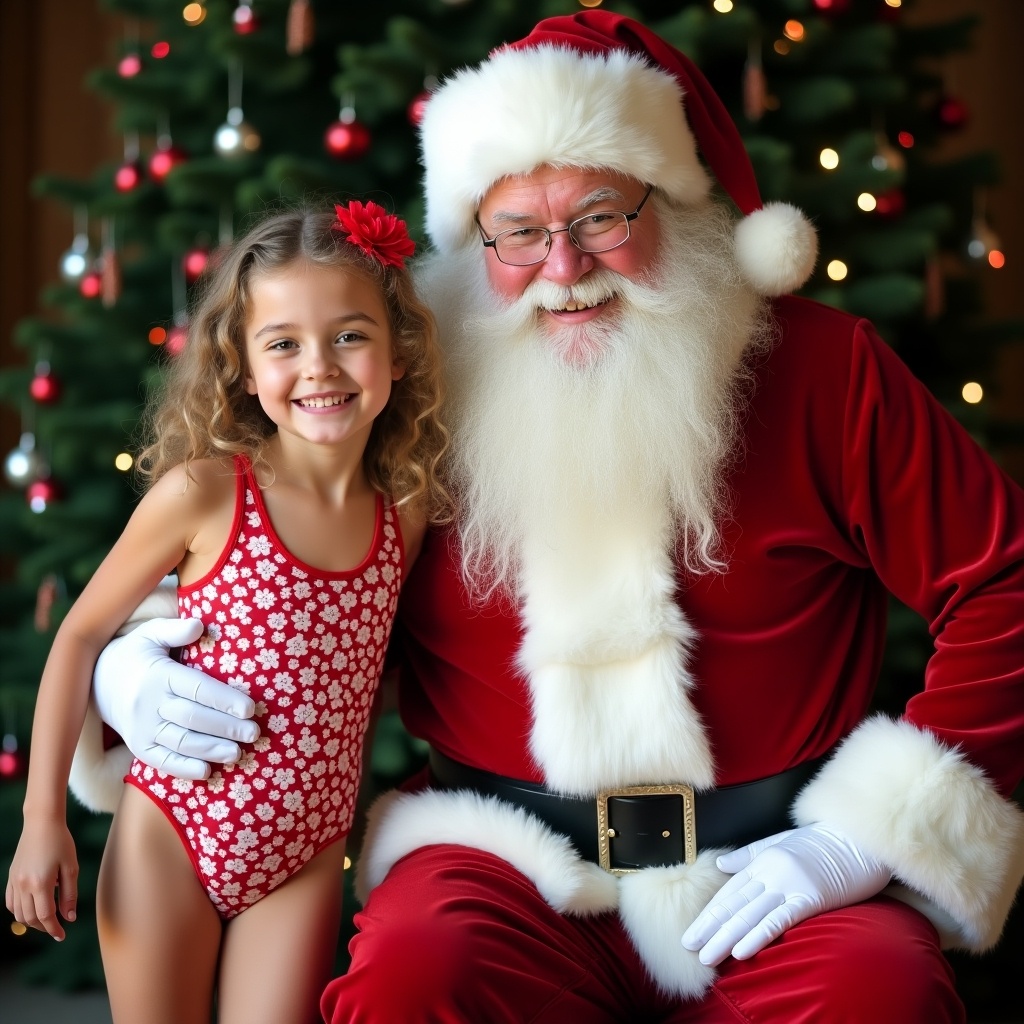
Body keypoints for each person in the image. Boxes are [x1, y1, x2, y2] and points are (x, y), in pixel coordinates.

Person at [74, 11, 1024, 1024]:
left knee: (880, 992)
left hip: (774, 869)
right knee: (411, 972)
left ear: (676, 204)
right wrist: (132, 663)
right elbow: (271, 549)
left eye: (603, 217)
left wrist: (859, 840)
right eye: (519, 232)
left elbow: (1002, 579)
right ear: (473, 238)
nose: (563, 267)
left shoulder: (824, 371)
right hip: (503, 865)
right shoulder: (416, 387)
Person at [6, 201, 448, 1024]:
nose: (320, 367)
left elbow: (367, 669)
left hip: (307, 856)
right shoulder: (207, 493)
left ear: (397, 352)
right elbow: (78, 638)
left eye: (350, 335)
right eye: (283, 344)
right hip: (169, 835)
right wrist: (43, 824)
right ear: (243, 368)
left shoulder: (407, 515)